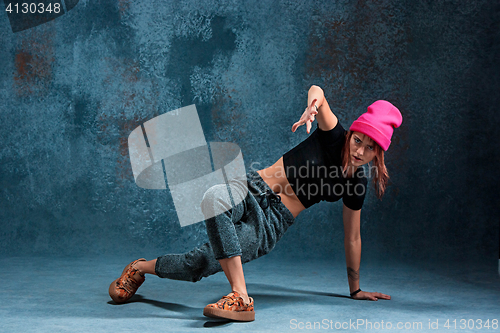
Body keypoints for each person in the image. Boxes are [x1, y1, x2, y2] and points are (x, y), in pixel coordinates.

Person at [108, 85, 403, 322]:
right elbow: (318, 92)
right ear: (351, 134)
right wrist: (313, 105)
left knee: (199, 263)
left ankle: (139, 268)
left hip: (273, 222)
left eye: (370, 147)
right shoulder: (334, 137)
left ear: (378, 153)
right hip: (251, 188)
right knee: (215, 198)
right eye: (358, 140)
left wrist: (356, 290)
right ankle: (241, 297)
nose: (359, 150)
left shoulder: (356, 184)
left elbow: (352, 237)